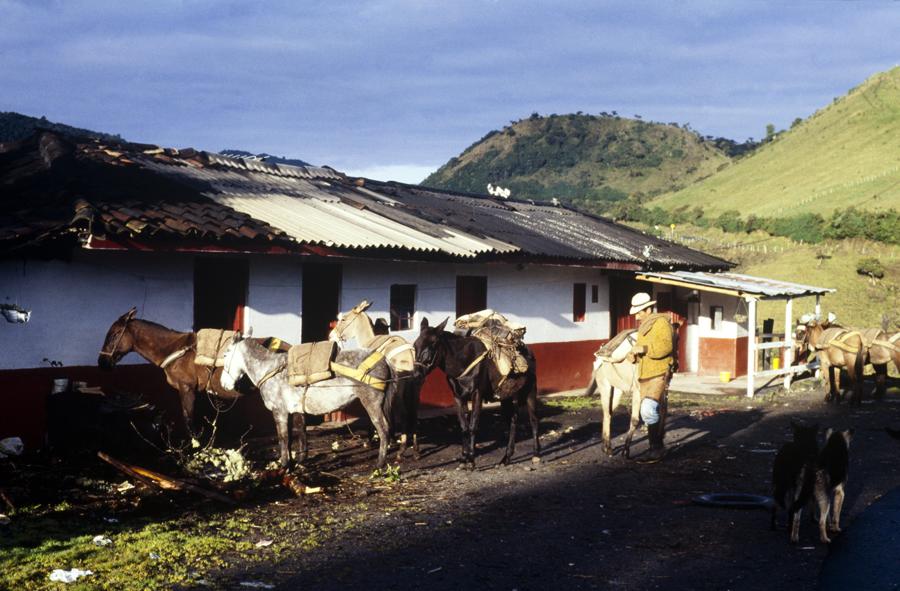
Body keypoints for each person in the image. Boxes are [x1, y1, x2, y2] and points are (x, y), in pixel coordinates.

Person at [627, 292, 675, 463]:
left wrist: (644, 349)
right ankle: (656, 446)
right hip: (645, 374)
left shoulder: (661, 323)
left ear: (648, 309)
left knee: (647, 410)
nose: (637, 316)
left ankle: (656, 448)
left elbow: (666, 347)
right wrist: (633, 356)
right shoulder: (644, 326)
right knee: (648, 412)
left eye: (640, 312)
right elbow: (642, 350)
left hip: (659, 372)